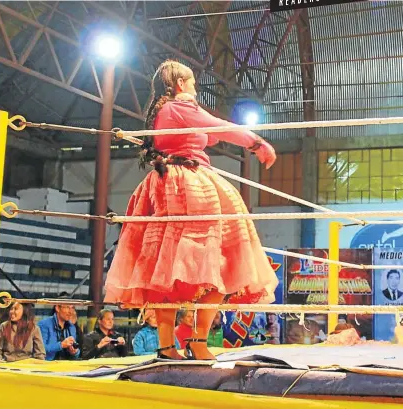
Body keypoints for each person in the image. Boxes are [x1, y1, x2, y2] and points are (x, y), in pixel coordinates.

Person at [103, 59, 279, 361]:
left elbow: (204, 134)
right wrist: (257, 143)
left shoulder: (164, 112)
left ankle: (168, 346)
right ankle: (196, 341)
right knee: (224, 264)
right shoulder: (181, 107)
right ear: (181, 85)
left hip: (168, 185)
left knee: (169, 275)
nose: (196, 89)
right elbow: (219, 128)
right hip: (188, 186)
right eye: (194, 83)